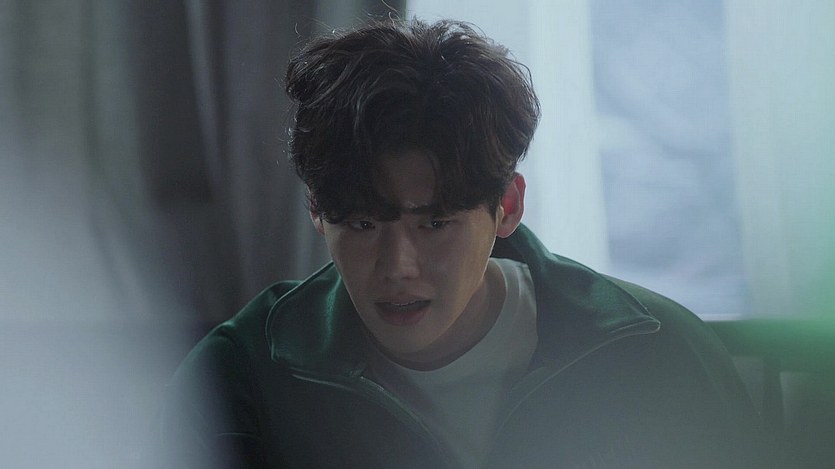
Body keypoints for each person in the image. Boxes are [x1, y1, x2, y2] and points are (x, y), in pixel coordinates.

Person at [158, 18, 771, 468]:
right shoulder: (242, 376)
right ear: (318, 211)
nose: (397, 267)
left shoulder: (653, 354)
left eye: (434, 224)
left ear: (507, 207)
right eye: (363, 225)